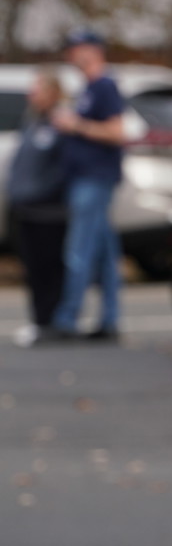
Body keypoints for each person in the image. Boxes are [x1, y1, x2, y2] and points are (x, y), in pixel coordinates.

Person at [49, 29, 127, 340]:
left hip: (94, 179)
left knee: (79, 249)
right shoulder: (88, 88)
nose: (71, 54)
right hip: (85, 179)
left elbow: (116, 132)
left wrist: (76, 125)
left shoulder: (104, 85)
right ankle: (110, 319)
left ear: (94, 50)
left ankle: (67, 318)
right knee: (105, 253)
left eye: (77, 48)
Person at [8, 71, 68, 346]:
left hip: (50, 212)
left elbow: (63, 169)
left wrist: (40, 193)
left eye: (37, 90)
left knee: (50, 268)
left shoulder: (62, 124)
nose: (31, 95)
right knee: (32, 269)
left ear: (53, 93)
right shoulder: (31, 123)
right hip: (26, 209)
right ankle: (39, 320)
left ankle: (51, 321)